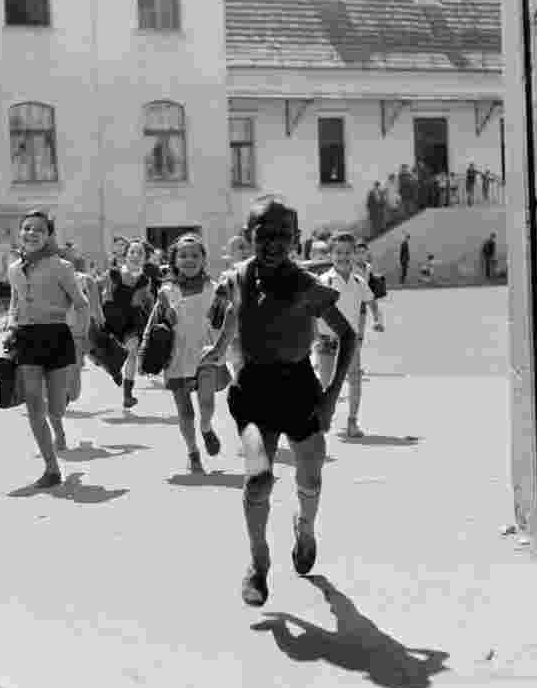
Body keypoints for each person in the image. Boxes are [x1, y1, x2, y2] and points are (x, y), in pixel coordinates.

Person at [201, 196, 356, 607]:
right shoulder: (236, 277)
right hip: (253, 391)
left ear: (296, 239)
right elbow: (232, 311)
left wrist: (329, 398)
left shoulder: (307, 286)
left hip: (299, 389)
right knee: (257, 479)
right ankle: (258, 562)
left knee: (312, 476)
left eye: (282, 236)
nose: (272, 243)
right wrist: (217, 350)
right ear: (248, 237)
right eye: (263, 235)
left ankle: (304, 528)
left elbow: (348, 335)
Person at [3, 210, 89, 487]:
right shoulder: (14, 268)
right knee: (33, 404)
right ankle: (52, 469)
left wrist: (81, 340)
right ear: (20, 233)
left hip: (57, 337)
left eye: (38, 229)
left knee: (56, 407)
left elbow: (81, 303)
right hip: (26, 338)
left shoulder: (61, 267)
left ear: (48, 235)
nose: (31, 233)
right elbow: (15, 302)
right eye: (26, 228)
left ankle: (59, 424)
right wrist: (10, 324)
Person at [144, 234, 231, 473]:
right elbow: (153, 324)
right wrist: (144, 355)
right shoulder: (166, 291)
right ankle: (193, 452)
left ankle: (206, 427)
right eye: (183, 255)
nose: (189, 259)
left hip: (206, 354)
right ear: (174, 260)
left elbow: (227, 321)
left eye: (195, 255)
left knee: (206, 403)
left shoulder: (215, 289)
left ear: (204, 259)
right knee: (185, 410)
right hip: (177, 356)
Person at [313, 232, 381, 439]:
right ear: (331, 255)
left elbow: (371, 301)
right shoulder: (323, 281)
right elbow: (311, 311)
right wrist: (315, 337)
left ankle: (352, 422)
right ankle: (322, 420)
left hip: (349, 341)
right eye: (338, 252)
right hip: (327, 340)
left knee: (354, 380)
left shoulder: (360, 282)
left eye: (348, 253)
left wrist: (377, 319)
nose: (343, 257)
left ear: (355, 254)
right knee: (325, 384)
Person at [102, 238, 156, 409]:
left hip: (132, 320)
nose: (135, 255)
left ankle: (128, 395)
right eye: (132, 252)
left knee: (132, 351)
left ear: (145, 259)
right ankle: (113, 369)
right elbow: (104, 296)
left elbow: (146, 302)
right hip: (112, 318)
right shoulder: (113, 274)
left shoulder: (145, 280)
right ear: (125, 256)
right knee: (107, 355)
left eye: (140, 253)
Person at [57, 247, 103, 410]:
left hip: (78, 330)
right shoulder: (52, 280)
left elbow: (96, 308)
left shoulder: (86, 280)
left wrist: (99, 322)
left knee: (75, 368)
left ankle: (66, 394)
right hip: (56, 328)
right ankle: (57, 393)